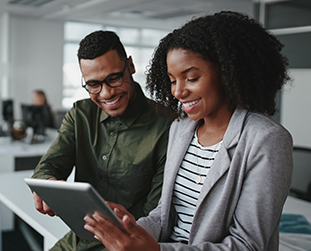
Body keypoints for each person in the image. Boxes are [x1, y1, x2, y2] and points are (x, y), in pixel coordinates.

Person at [83, 11, 293, 250]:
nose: (177, 92)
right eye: (172, 80)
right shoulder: (181, 128)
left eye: (191, 78)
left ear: (227, 73)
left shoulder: (266, 139)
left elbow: (248, 245)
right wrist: (132, 228)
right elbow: (164, 214)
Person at [31, 31, 171, 250]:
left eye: (114, 78)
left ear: (131, 66)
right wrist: (47, 183)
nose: (106, 94)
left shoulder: (168, 126)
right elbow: (50, 164)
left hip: (123, 245)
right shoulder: (80, 114)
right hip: (77, 239)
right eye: (93, 85)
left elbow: (157, 216)